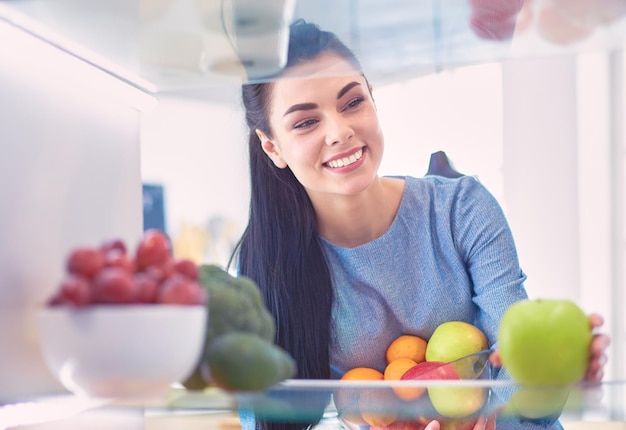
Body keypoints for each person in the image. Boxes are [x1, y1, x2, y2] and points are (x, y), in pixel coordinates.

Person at [231, 19, 610, 430]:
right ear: (272, 147)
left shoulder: (461, 210)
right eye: (306, 122)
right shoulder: (266, 266)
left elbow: (519, 380)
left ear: (373, 98)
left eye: (352, 102)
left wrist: (551, 376)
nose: (340, 131)